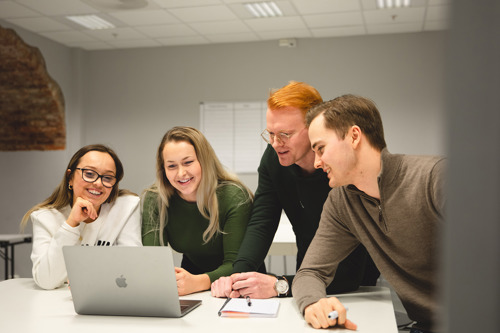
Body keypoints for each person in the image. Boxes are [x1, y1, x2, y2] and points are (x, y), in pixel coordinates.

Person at [211, 81, 379, 299]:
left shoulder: (343, 170)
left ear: (313, 129)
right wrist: (238, 276)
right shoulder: (274, 159)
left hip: (356, 283)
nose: (275, 143)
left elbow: (349, 272)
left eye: (285, 134)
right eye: (270, 133)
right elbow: (262, 221)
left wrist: (278, 285)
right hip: (307, 273)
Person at [292, 95, 445, 333]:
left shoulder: (435, 178)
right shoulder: (342, 202)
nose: (317, 162)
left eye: (321, 148)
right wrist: (314, 303)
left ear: (354, 136)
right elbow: (310, 272)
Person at [142, 126, 253, 296]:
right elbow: (152, 261)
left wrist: (196, 282)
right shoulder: (156, 199)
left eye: (188, 162)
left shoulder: (233, 196)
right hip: (190, 281)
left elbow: (236, 264)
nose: (181, 173)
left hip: (238, 283)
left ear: (204, 160)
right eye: (171, 166)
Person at [20, 144, 142, 290]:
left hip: (110, 297)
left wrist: (88, 279)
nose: (98, 183)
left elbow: (132, 267)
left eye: (108, 178)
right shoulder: (45, 217)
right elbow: (46, 280)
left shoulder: (125, 207)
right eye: (89, 174)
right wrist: (71, 224)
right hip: (56, 303)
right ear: (70, 178)